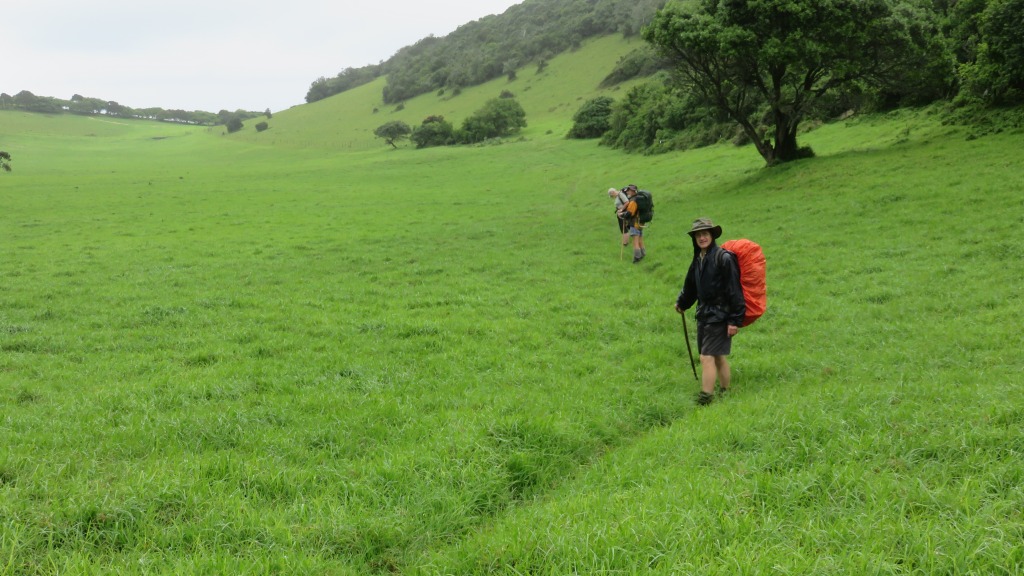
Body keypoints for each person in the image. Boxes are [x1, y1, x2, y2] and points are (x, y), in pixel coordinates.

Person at [674, 218, 745, 405]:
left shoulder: (724, 258)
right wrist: (682, 303)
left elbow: (734, 290)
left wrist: (734, 320)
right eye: (698, 235)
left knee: (706, 356)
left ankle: (706, 397)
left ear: (712, 235)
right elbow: (691, 287)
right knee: (717, 356)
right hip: (704, 314)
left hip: (721, 315)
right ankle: (725, 390)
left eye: (705, 233)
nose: (702, 237)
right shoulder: (698, 259)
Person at [616, 184, 647, 263]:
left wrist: (621, 214)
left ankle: (637, 258)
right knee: (640, 240)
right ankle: (643, 254)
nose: (628, 192)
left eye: (629, 191)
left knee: (635, 242)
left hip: (634, 223)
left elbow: (630, 213)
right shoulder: (639, 198)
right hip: (640, 222)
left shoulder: (633, 200)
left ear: (632, 191)